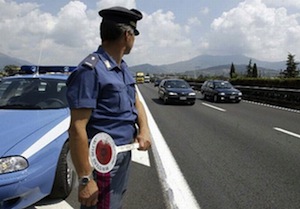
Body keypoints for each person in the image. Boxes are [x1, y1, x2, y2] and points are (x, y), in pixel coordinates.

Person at [66, 6, 151, 209]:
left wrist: (144, 129)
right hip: (103, 161)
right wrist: (86, 179)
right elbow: (77, 127)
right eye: (134, 34)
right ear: (127, 35)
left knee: (114, 204)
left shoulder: (122, 68)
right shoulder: (90, 70)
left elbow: (135, 101)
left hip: (123, 154)